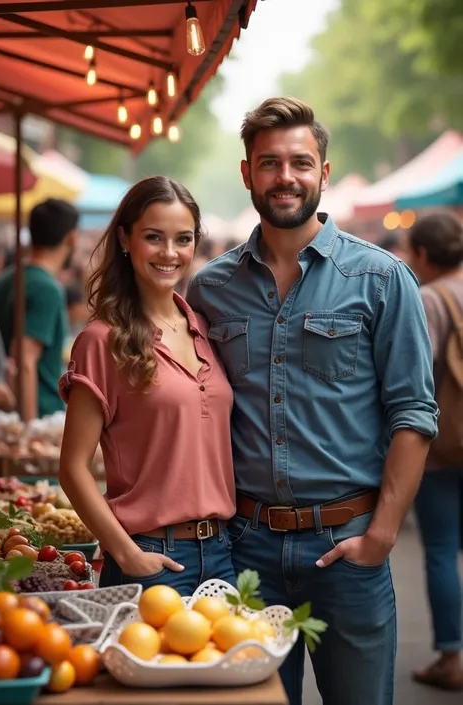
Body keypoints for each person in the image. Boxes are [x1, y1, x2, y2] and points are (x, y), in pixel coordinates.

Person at [187, 97, 438, 705]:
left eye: (300, 162)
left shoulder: (381, 279)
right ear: (247, 173)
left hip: (347, 547)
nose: (285, 178)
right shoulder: (209, 288)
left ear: (323, 172)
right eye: (269, 163)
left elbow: (414, 413)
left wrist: (381, 535)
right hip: (244, 549)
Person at [58, 176, 236, 595]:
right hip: (150, 556)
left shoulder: (206, 329)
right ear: (125, 239)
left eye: (184, 239)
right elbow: (72, 468)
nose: (170, 253)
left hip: (223, 554)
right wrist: (126, 554)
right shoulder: (102, 339)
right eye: (154, 237)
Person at [405, 212, 463, 690]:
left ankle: (451, 658)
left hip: (445, 449)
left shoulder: (430, 298)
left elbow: (415, 382)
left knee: (442, 550)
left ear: (423, 254)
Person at [0, 199, 78, 421]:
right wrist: (29, 428)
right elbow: (25, 360)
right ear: (71, 238)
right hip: (38, 413)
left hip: (4, 412)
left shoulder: (8, 277)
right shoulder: (47, 288)